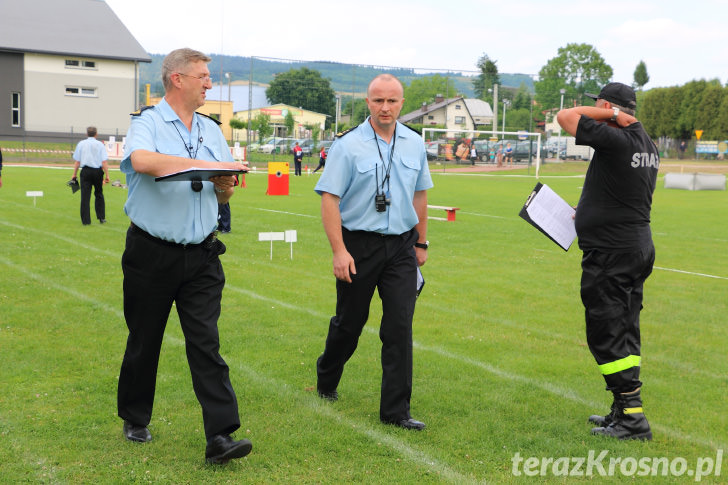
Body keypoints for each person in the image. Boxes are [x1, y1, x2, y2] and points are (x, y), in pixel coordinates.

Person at [117, 47, 252, 464]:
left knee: (205, 343)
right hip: (151, 254)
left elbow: (222, 189)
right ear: (177, 79)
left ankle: (221, 436)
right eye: (203, 75)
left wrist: (225, 185)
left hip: (202, 256)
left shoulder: (212, 130)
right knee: (145, 339)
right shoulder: (148, 123)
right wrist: (196, 165)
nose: (210, 82)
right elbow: (141, 161)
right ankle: (134, 416)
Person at [314, 73, 433, 430]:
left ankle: (396, 411)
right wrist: (339, 251)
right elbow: (330, 200)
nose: (385, 107)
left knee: (399, 326)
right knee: (349, 324)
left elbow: (421, 195)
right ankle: (327, 375)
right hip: (358, 245)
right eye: (378, 100)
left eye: (392, 101)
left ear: (402, 104)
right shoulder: (347, 146)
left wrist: (421, 243)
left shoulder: (413, 143)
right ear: (367, 103)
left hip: (400, 246)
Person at [557, 82, 658, 441]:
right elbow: (621, 192)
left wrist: (612, 113)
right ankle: (623, 409)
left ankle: (632, 418)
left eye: (599, 106)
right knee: (625, 330)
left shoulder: (618, 137)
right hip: (633, 247)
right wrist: (584, 211)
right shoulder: (644, 142)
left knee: (607, 333)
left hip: (612, 253)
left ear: (606, 106)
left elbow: (565, 117)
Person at [71, 126, 110, 224]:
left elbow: (77, 161)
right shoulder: (100, 145)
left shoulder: (81, 144)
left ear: (86, 134)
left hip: (85, 171)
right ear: (96, 134)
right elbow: (104, 161)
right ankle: (101, 217)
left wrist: (74, 174)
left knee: (85, 196)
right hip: (97, 171)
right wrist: (107, 175)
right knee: (99, 194)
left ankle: (86, 220)